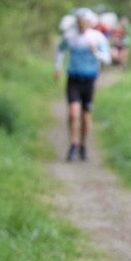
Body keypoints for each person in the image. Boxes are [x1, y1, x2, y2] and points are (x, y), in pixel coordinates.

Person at [53, 8, 111, 161]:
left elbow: (107, 58)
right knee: (73, 113)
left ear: (89, 23)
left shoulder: (97, 37)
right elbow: (59, 50)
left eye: (84, 22)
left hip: (89, 79)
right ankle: (73, 143)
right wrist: (57, 67)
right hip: (73, 78)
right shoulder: (69, 36)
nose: (81, 25)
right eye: (79, 22)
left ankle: (83, 144)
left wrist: (95, 51)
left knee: (85, 116)